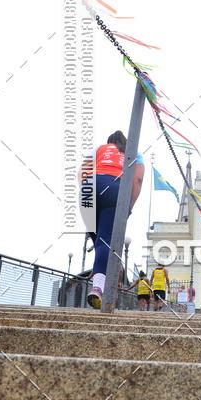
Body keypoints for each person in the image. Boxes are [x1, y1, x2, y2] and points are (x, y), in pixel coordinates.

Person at [80, 131, 144, 310]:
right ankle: (98, 287)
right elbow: (137, 180)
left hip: (89, 188)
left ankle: (101, 270)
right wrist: (128, 208)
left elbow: (82, 172)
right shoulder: (134, 153)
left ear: (110, 142)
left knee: (100, 242)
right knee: (104, 243)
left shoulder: (99, 149)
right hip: (114, 188)